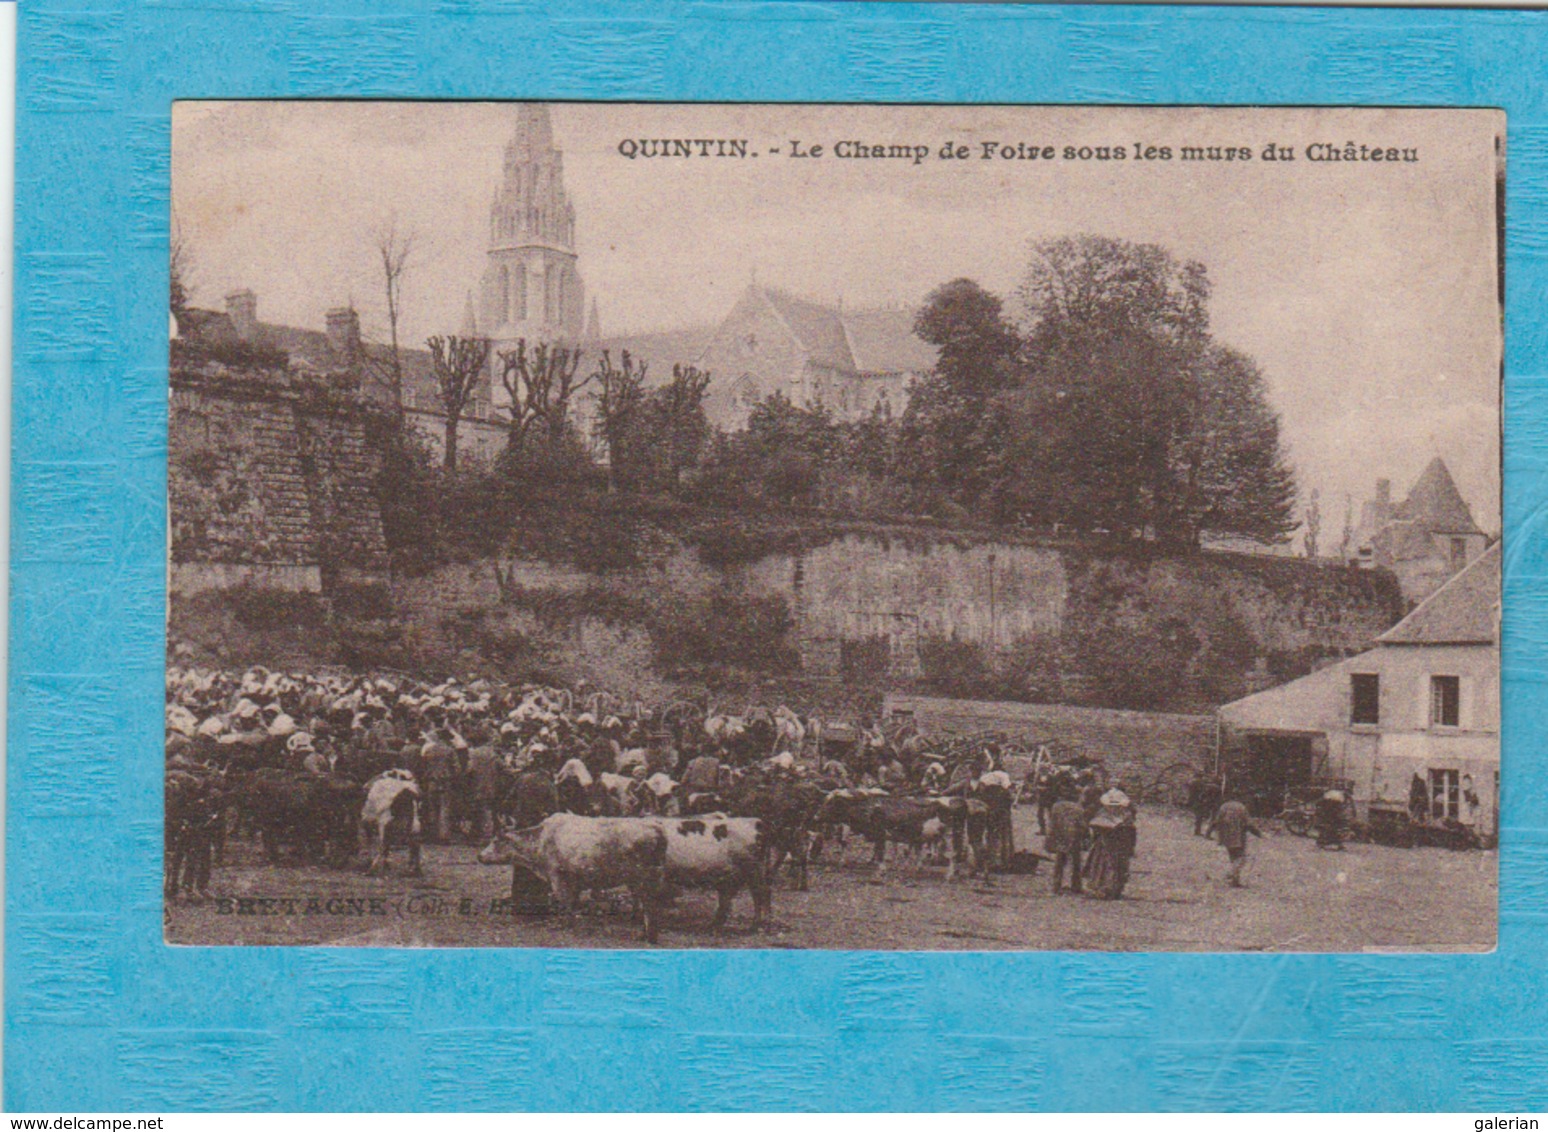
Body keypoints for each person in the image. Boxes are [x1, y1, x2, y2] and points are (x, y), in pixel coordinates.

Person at [1084, 788, 1138, 899]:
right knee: (1102, 866)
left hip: (1120, 845)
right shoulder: (1102, 813)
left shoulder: (1126, 816)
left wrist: (1130, 845)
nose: (1113, 807)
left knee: (1118, 867)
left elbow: (1131, 832)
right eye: (1111, 805)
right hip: (1104, 844)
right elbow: (1095, 828)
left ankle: (1115, 889)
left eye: (1116, 805)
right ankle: (1103, 888)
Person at [1206, 798, 1263, 888]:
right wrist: (1259, 834)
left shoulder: (1224, 806)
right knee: (1241, 858)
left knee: (1233, 857)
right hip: (1238, 836)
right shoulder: (1241, 808)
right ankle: (1231, 875)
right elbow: (1249, 824)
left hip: (1225, 835)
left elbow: (1215, 821)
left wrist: (1208, 833)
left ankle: (1235, 880)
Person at [1045, 795, 1089, 895]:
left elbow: (1052, 823)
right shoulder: (1078, 808)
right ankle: (1076, 885)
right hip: (1074, 836)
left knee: (1059, 862)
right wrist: (1086, 836)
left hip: (1060, 835)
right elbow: (1082, 824)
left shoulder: (1056, 806)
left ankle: (1056, 886)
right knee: (1076, 862)